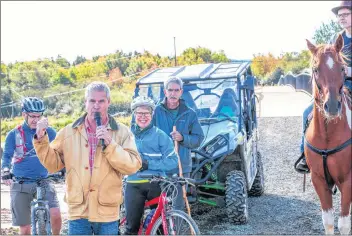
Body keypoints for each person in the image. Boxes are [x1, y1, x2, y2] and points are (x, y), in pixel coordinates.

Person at [32, 81, 142, 235]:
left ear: (108, 103)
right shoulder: (69, 132)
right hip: (79, 211)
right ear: (85, 102)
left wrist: (111, 144)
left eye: (101, 101)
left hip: (107, 212)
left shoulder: (121, 132)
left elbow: (133, 165)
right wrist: (41, 139)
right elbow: (53, 165)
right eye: (92, 101)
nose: (96, 106)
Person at [295, 0, 352, 173]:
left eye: (346, 14)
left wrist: (348, 70)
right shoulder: (334, 39)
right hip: (334, 85)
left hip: (350, 83)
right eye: (339, 15)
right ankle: (305, 155)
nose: (342, 18)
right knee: (307, 112)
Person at [1, 97, 62, 235]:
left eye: (38, 116)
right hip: (21, 182)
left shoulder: (50, 132)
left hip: (44, 180)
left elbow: (60, 152)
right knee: (25, 229)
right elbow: (6, 156)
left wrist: (63, 167)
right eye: (32, 116)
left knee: (56, 215)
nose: (36, 119)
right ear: (24, 115)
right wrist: (5, 170)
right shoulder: (13, 134)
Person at [124, 96, 178, 235]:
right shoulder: (127, 136)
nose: (143, 116)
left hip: (156, 184)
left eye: (146, 113)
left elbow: (173, 161)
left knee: (160, 226)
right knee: (132, 228)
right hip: (133, 184)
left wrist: (149, 164)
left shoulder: (161, 136)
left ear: (152, 114)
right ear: (134, 114)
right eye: (139, 113)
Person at [152, 76, 204, 210]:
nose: (173, 93)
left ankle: (177, 230)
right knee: (160, 205)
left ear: (181, 92)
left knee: (178, 205)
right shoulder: (156, 111)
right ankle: (161, 230)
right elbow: (147, 134)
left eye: (176, 90)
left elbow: (198, 139)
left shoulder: (189, 113)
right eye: (170, 90)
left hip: (181, 166)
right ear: (165, 92)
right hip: (160, 167)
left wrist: (183, 138)